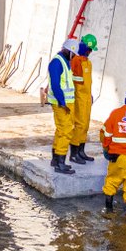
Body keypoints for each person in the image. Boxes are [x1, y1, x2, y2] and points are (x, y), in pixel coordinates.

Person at [48, 38, 81, 174]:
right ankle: (60, 163)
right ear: (69, 51)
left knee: (61, 130)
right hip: (62, 104)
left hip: (66, 103)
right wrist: (62, 102)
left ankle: (56, 159)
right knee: (66, 131)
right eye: (73, 54)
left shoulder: (64, 61)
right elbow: (56, 85)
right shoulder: (57, 62)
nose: (74, 57)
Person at [68, 34, 98, 164]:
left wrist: (90, 95)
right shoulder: (75, 61)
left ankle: (81, 151)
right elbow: (73, 80)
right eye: (90, 50)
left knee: (85, 125)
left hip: (86, 98)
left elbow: (87, 82)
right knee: (79, 125)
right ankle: (74, 154)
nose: (91, 52)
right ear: (86, 48)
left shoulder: (87, 62)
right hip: (78, 98)